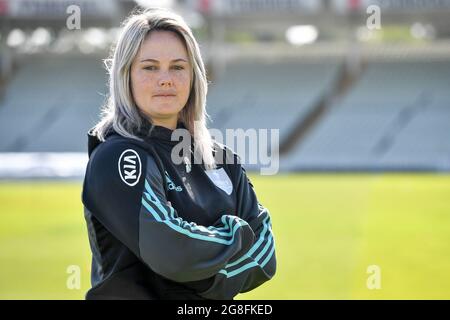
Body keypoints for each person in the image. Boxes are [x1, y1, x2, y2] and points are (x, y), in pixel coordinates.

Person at [81, 7, 276, 300]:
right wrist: (237, 236)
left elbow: (265, 255)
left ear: (194, 75)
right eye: (149, 67)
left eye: (177, 67)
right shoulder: (118, 155)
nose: (165, 79)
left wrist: (199, 271)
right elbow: (171, 252)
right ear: (126, 76)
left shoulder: (220, 159)